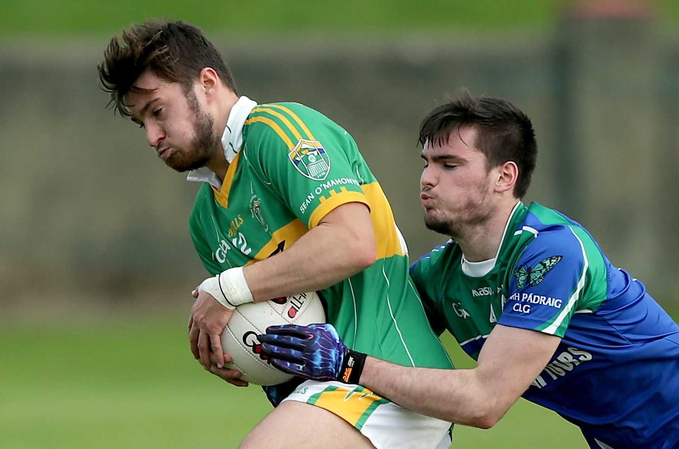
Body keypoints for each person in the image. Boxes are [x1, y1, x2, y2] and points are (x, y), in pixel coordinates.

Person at [260, 93, 679, 448]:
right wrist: (278, 361)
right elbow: (373, 343)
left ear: (503, 177)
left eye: (448, 165)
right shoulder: (437, 278)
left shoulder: (553, 253)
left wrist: (348, 365)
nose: (426, 179)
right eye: (424, 163)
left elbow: (484, 402)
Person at [97, 19, 455, 449]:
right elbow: (283, 319)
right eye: (142, 124)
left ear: (207, 83)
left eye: (158, 112)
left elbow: (351, 243)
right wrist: (237, 350)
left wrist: (227, 290)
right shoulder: (205, 219)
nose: (153, 137)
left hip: (391, 378)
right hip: (324, 393)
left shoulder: (278, 132)